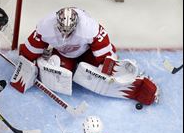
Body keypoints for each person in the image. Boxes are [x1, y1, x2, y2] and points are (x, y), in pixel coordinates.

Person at [10, 7, 158, 106]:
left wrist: (106, 63)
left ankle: (134, 80)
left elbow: (103, 50)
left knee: (106, 67)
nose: (65, 34)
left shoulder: (89, 27)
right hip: (63, 54)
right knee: (55, 71)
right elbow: (30, 50)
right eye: (62, 29)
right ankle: (58, 67)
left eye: (69, 30)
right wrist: (30, 62)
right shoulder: (45, 26)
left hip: (87, 52)